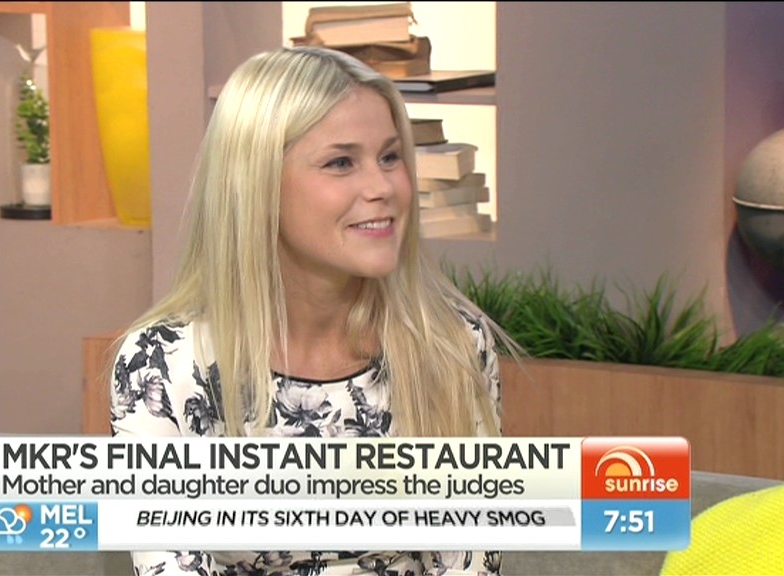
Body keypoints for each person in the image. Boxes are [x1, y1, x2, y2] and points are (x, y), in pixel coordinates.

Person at [109, 45, 520, 576]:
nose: (383, 187)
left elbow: (469, 562)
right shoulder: (160, 365)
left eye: (390, 156)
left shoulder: (452, 345)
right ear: (256, 185)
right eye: (341, 162)